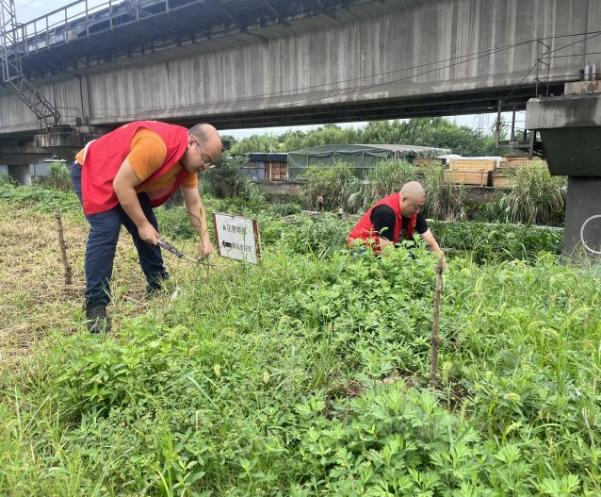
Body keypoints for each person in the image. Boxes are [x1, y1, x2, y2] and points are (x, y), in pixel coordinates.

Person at [71, 120, 222, 333]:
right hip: (95, 170)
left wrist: (205, 239)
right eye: (205, 159)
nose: (205, 167)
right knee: (107, 229)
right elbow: (121, 185)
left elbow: (194, 203)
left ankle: (157, 282)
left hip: (126, 179)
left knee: (150, 225)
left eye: (210, 163)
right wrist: (141, 225)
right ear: (191, 142)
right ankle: (96, 306)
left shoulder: (187, 163)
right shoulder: (156, 146)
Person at [347, 181, 445, 262]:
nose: (418, 211)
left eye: (420, 207)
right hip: (361, 251)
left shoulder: (413, 212)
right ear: (404, 199)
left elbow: (432, 244)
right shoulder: (385, 213)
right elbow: (387, 254)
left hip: (385, 249)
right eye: (416, 206)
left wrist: (442, 264)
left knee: (415, 251)